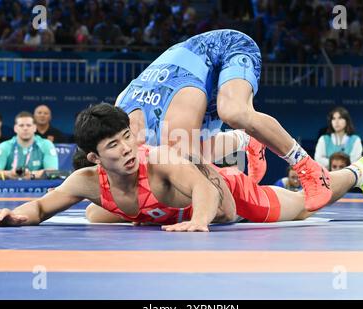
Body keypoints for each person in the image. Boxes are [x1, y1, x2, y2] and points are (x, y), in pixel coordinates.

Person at [0, 104, 363, 232]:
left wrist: (199, 220)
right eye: (114, 145)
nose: (127, 148)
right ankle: (242, 146)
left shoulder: (157, 158)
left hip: (225, 191)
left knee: (306, 204)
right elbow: (40, 207)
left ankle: (362, 171)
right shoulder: (85, 180)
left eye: (128, 136)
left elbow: (206, 192)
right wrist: (15, 216)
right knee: (94, 212)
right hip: (171, 203)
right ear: (94, 158)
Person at [114, 29, 332, 212]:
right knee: (180, 154)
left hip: (227, 47)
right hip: (195, 78)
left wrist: (219, 204)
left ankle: (309, 168)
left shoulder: (176, 114)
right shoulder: (120, 114)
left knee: (233, 112)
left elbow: (198, 174)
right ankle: (246, 140)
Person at [0, 111, 59, 180]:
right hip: (10, 189)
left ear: (35, 128)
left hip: (39, 189)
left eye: (28, 125)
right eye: (21, 125)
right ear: (15, 128)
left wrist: (31, 175)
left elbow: (52, 171)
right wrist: (10, 174)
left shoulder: (46, 144)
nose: (25, 128)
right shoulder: (5, 145)